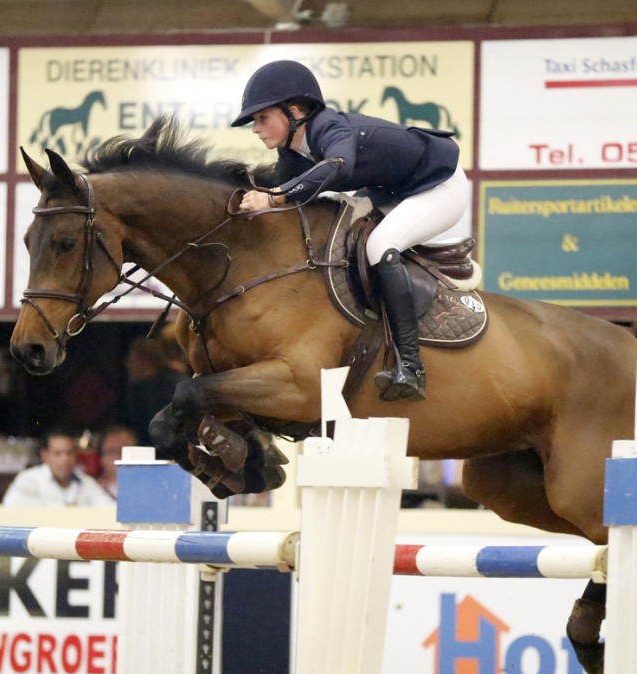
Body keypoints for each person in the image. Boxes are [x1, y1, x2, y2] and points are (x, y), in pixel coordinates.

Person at [232, 60, 469, 402]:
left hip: (438, 185)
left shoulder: (332, 129)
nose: (256, 128)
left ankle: (412, 367)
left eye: (262, 118)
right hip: (392, 190)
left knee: (380, 245)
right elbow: (281, 193)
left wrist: (275, 198)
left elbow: (337, 167)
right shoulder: (293, 153)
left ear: (294, 111)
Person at [2, 430, 114, 507]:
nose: (65, 459)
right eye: (57, 453)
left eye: (69, 453)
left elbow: (109, 509)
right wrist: (63, 509)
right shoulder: (29, 479)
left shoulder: (86, 482)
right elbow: (11, 505)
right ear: (44, 455)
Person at [121, 335, 187, 446]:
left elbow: (145, 430)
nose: (127, 364)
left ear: (145, 362)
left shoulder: (142, 390)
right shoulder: (182, 381)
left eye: (132, 359)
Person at [97, 425, 137, 499]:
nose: (119, 456)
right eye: (112, 451)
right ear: (102, 458)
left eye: (124, 451)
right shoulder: (90, 490)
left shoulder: (149, 489)